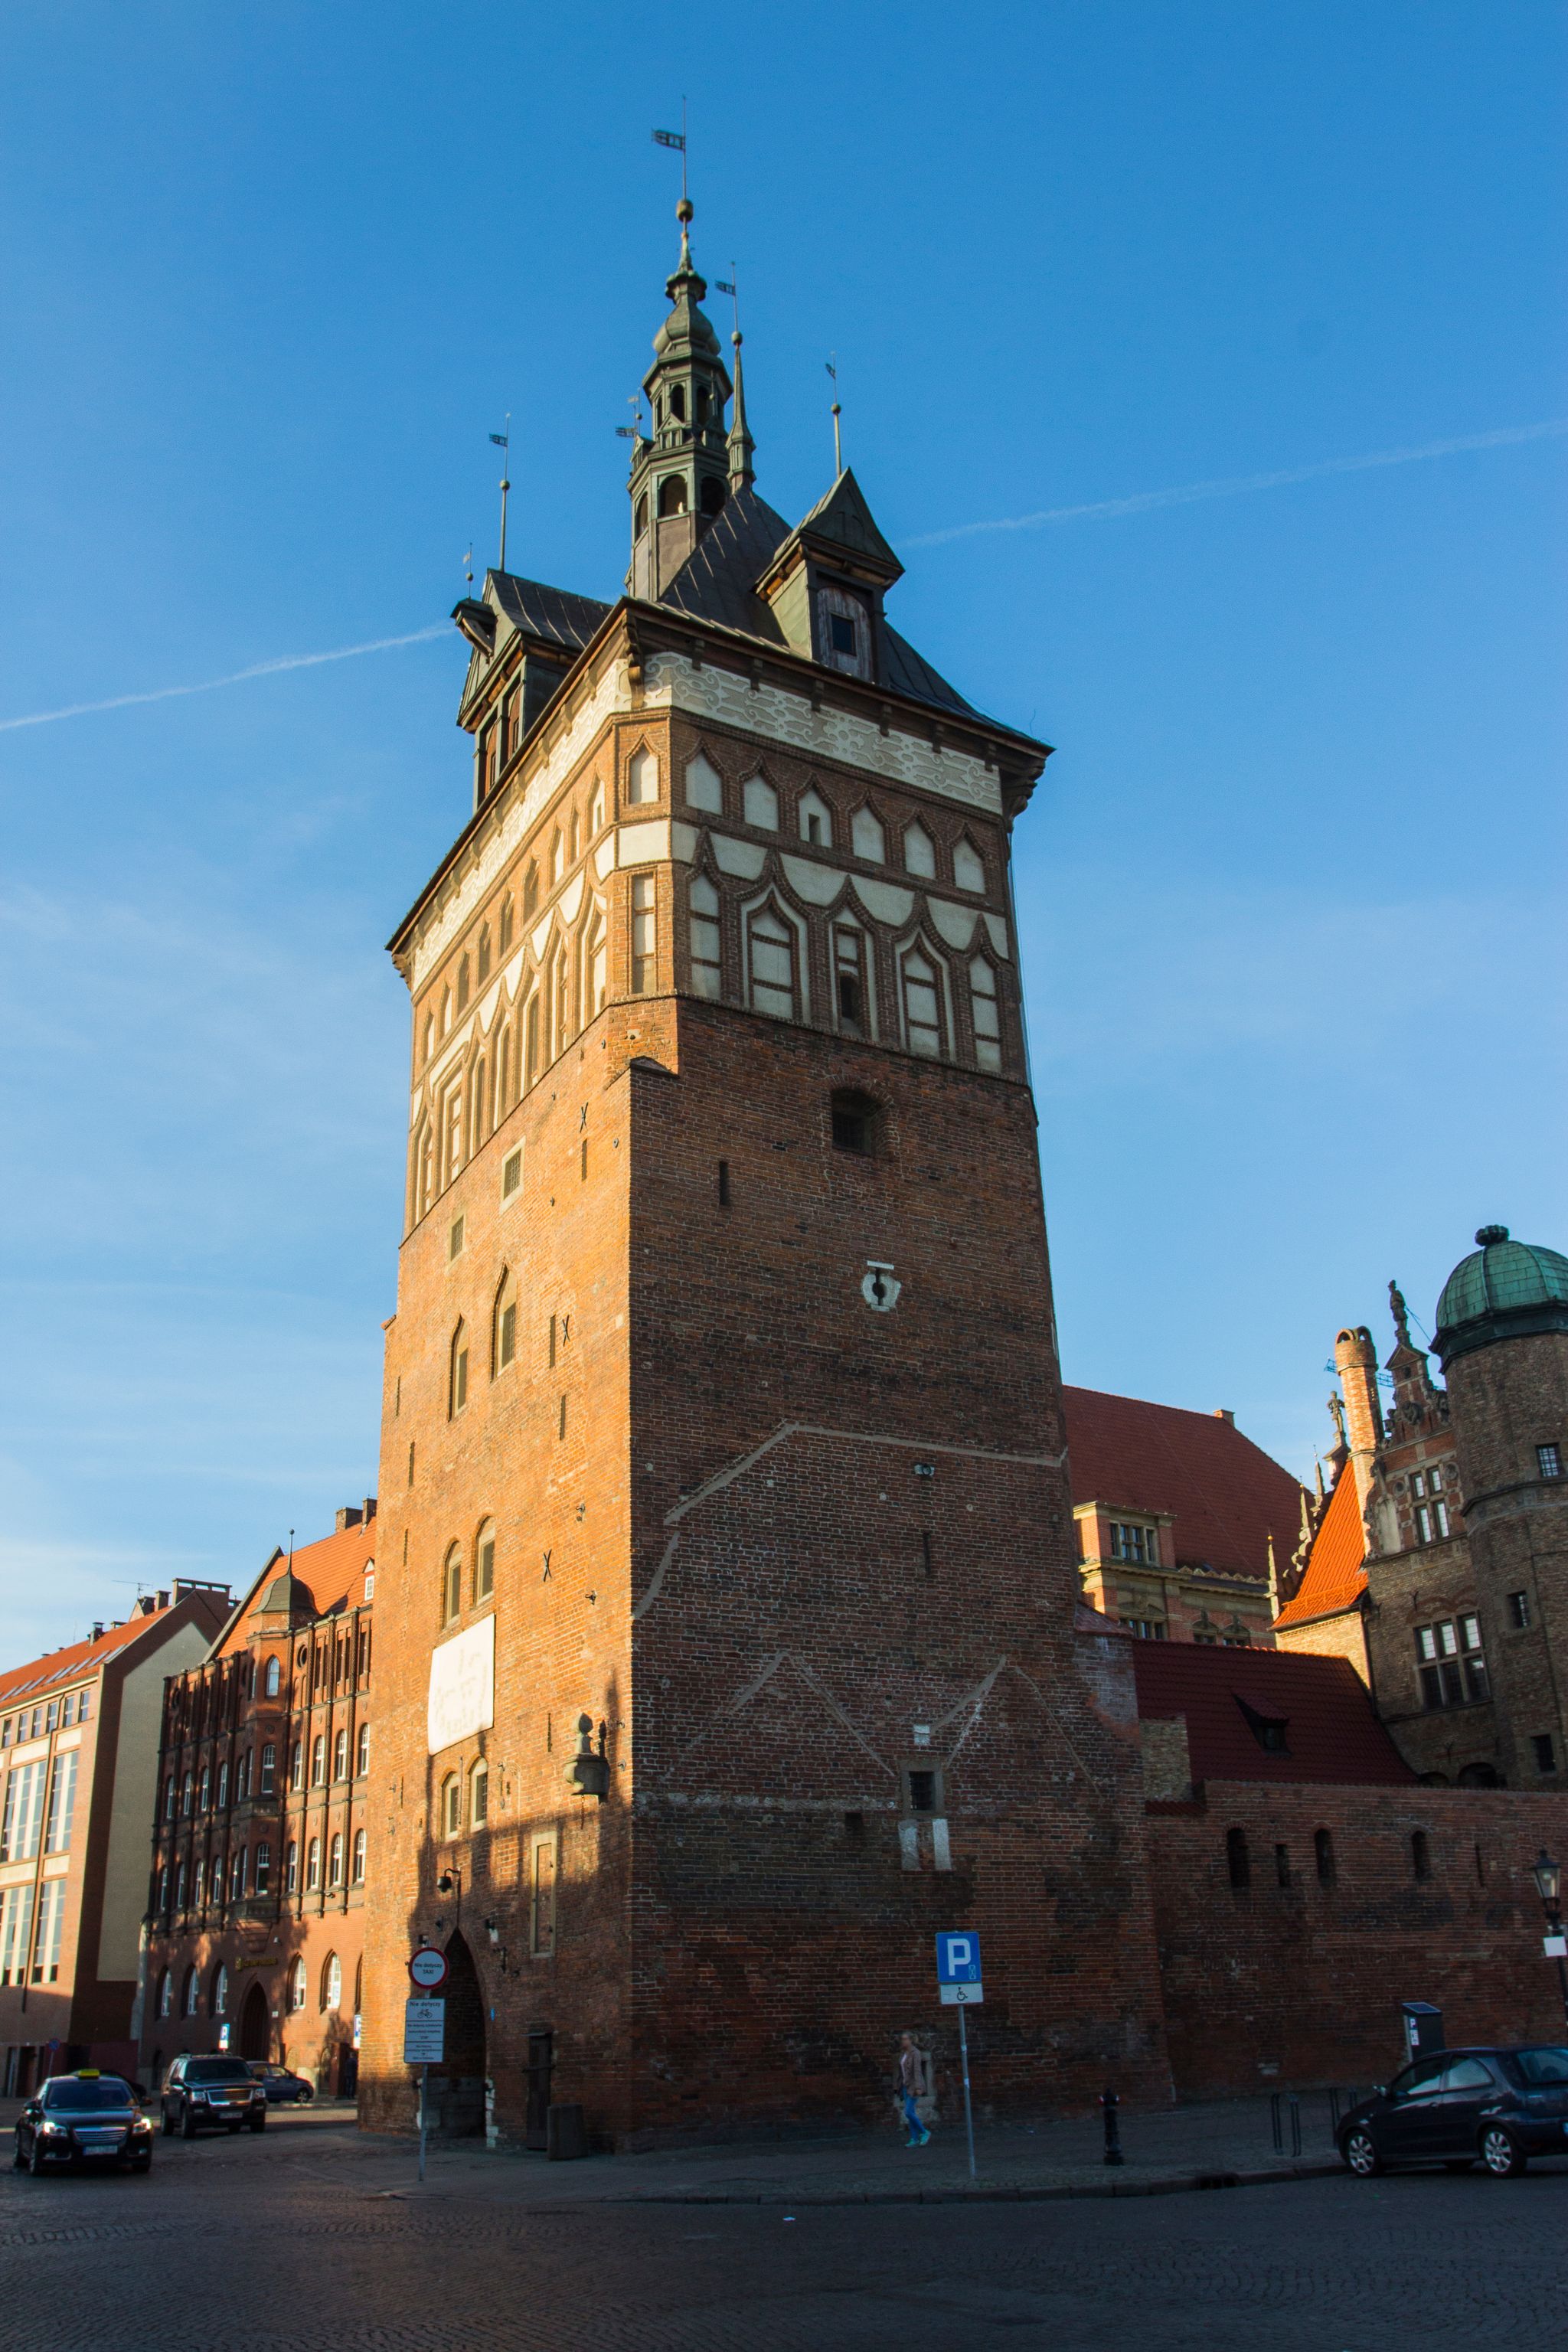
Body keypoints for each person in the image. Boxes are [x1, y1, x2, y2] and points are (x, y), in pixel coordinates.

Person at [898, 2032, 931, 2147]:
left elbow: (917, 2071)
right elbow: (901, 2071)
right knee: (910, 2112)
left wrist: (918, 2087)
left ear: (911, 2040)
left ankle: (924, 2132)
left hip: (913, 2087)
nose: (903, 2041)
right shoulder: (903, 2053)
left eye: (905, 2039)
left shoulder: (915, 2053)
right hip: (905, 2086)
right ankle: (914, 2139)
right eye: (902, 2039)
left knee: (908, 2112)